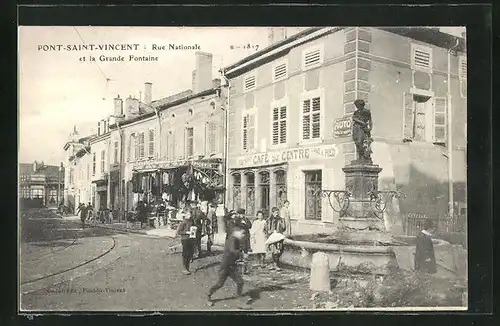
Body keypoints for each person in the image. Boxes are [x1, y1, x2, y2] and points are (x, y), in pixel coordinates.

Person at [207, 224, 251, 307]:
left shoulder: (237, 240)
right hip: (225, 266)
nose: (243, 235)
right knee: (220, 284)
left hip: (232, 266)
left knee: (240, 282)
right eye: (242, 233)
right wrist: (242, 254)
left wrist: (241, 255)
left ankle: (240, 302)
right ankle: (208, 295)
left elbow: (236, 252)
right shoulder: (232, 239)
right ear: (236, 232)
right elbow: (232, 250)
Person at [176, 210, 197, 275]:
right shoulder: (183, 222)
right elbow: (179, 232)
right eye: (187, 215)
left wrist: (195, 229)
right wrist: (187, 232)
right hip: (185, 239)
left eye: (190, 214)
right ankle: (184, 268)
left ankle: (187, 268)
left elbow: (194, 228)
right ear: (185, 215)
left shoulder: (192, 221)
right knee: (185, 253)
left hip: (191, 239)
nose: (189, 216)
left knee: (190, 253)